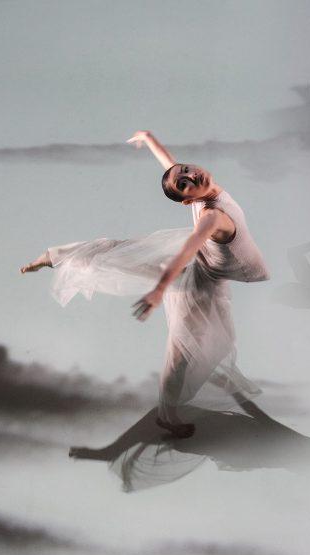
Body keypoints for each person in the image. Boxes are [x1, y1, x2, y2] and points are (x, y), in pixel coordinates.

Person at [20, 130, 269, 437]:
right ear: (186, 199)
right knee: (185, 350)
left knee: (123, 251)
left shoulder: (205, 190)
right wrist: (160, 290)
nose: (191, 175)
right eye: (184, 183)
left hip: (203, 270)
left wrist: (149, 139)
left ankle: (55, 255)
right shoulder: (211, 216)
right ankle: (167, 413)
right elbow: (188, 248)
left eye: (188, 171)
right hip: (196, 278)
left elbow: (171, 164)